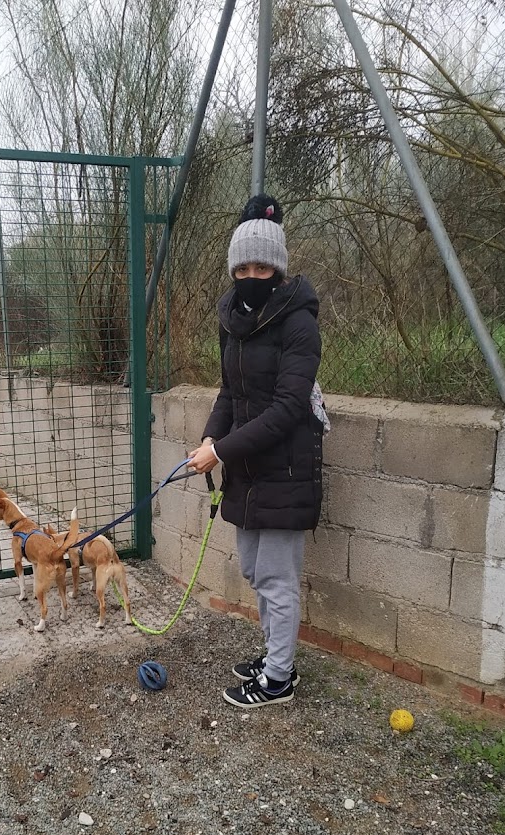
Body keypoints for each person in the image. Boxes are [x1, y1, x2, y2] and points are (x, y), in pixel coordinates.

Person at [187, 194, 328, 708]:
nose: (252, 274)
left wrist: (220, 451)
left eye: (262, 266)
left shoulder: (299, 323)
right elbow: (231, 393)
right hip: (246, 462)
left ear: (278, 268)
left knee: (276, 577)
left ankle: (279, 678)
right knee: (252, 568)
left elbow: (290, 406)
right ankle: (275, 652)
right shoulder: (233, 321)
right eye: (243, 266)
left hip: (286, 465)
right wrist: (210, 436)